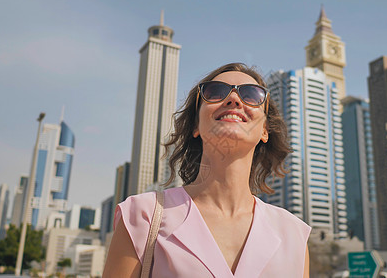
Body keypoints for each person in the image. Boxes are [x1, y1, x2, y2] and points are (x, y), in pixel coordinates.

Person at [103, 63, 311, 277]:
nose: (234, 99)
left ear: (265, 131)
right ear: (195, 126)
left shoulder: (293, 234)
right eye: (215, 92)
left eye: (251, 95)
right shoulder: (142, 215)